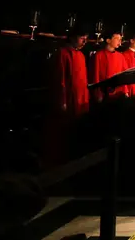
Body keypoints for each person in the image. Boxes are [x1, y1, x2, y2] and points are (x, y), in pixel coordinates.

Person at [45, 26, 90, 166]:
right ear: (72, 37)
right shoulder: (63, 53)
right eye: (82, 38)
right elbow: (60, 80)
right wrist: (62, 101)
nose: (84, 41)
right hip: (70, 100)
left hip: (81, 98)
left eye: (86, 39)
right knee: (66, 134)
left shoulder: (81, 55)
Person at [90, 30, 129, 100]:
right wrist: (98, 93)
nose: (119, 42)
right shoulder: (99, 55)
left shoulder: (120, 56)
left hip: (118, 92)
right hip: (104, 92)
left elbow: (124, 75)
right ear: (108, 40)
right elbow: (96, 75)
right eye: (117, 39)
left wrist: (125, 91)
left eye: (120, 39)